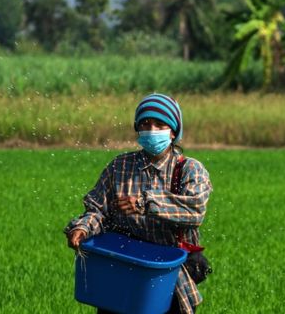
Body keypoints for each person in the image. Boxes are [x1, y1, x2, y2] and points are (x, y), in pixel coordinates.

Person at [64, 93, 212, 314]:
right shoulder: (120, 166)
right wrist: (83, 227)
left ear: (172, 132)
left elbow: (194, 210)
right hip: (123, 267)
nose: (151, 130)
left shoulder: (189, 170)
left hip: (166, 272)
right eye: (145, 124)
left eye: (159, 124)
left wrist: (146, 204)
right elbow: (98, 210)